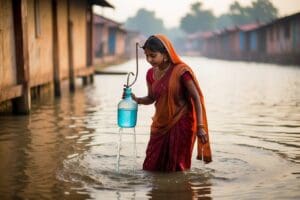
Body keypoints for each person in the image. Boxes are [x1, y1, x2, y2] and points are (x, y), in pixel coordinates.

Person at [132, 34, 212, 171]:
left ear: (165, 54)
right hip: (160, 125)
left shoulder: (181, 72)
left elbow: (196, 98)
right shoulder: (150, 74)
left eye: (153, 55)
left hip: (181, 124)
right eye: (146, 56)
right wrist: (136, 100)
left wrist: (200, 126)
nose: (149, 59)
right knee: (150, 166)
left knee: (176, 168)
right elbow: (151, 98)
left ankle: (178, 191)